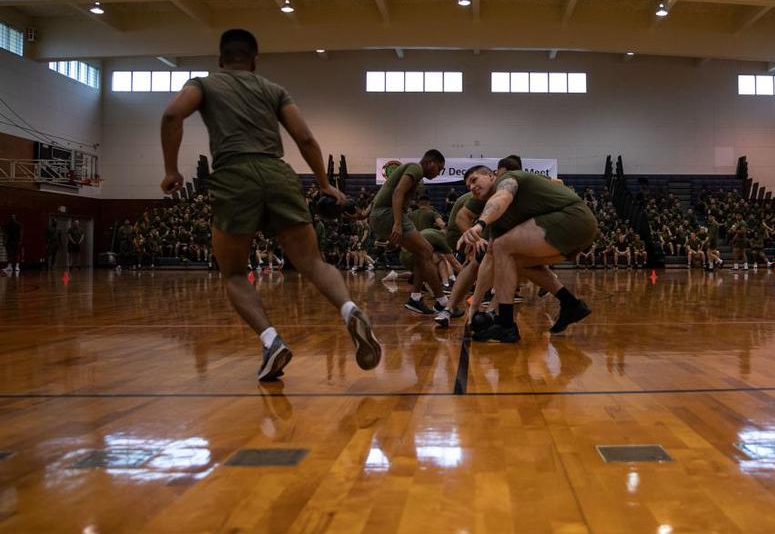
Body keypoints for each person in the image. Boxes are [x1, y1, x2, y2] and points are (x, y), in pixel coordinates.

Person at [158, 28, 382, 381]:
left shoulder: (203, 84)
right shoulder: (273, 90)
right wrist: (324, 184)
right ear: (254, 59)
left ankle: (271, 340)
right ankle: (349, 308)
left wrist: (171, 170)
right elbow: (305, 138)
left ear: (220, 59)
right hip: (279, 174)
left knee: (233, 272)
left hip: (234, 176)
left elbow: (172, 115)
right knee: (312, 262)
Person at [458, 165, 596, 342]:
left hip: (573, 218)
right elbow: (489, 260)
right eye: (468, 186)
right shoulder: (498, 221)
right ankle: (571, 304)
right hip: (576, 233)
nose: (471, 187)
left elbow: (502, 197)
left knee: (502, 246)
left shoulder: (506, 179)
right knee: (514, 261)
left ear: (492, 175)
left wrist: (479, 224)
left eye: (474, 180)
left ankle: (506, 326)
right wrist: (474, 308)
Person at [369, 150, 447, 315]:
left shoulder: (415, 174)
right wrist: (397, 222)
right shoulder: (415, 168)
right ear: (430, 162)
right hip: (388, 214)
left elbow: (384, 191)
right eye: (439, 169)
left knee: (421, 253)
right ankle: (442, 302)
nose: (439, 173)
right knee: (427, 250)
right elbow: (398, 192)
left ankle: (416, 298)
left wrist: (364, 214)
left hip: (381, 214)